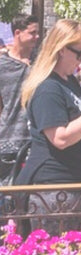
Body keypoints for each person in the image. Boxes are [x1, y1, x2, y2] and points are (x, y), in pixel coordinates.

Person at [15, 19, 81, 234]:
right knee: (52, 252)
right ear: (61, 49)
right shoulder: (48, 88)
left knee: (69, 250)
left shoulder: (68, 81)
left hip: (74, 181)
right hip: (53, 187)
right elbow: (59, 138)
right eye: (79, 54)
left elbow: (77, 122)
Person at [0, 14, 39, 162]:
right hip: (8, 140)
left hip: (37, 140)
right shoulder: (3, 65)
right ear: (18, 33)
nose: (37, 36)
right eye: (32, 33)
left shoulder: (41, 62)